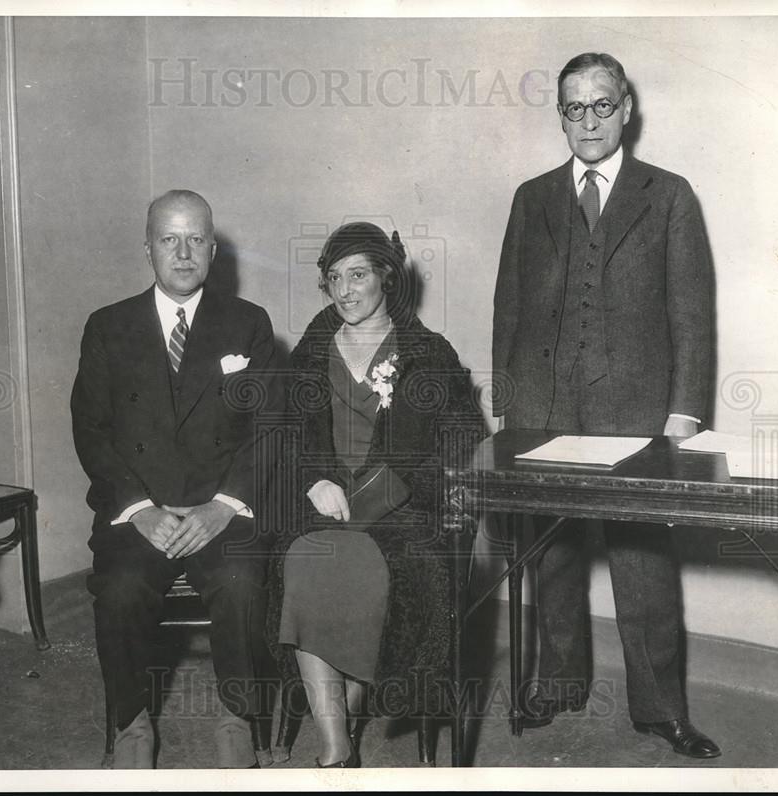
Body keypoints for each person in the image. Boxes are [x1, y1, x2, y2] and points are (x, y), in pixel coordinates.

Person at [492, 53, 720, 759]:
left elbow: (692, 315)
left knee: (642, 563)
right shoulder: (532, 198)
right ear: (560, 116)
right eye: (572, 107)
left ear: (626, 110)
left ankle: (658, 708)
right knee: (550, 556)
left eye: (600, 105)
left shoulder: (670, 195)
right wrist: (508, 404)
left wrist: (684, 411)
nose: (587, 120)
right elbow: (509, 306)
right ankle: (560, 683)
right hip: (543, 405)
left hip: (636, 413)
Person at [71, 189, 282, 768]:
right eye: (169, 239)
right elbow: (91, 430)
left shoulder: (249, 324)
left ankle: (237, 719)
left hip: (222, 510)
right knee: (118, 591)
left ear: (214, 249)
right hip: (140, 514)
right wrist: (139, 508)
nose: (183, 252)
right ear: (148, 248)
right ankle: (132, 724)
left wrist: (224, 506)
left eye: (196, 240)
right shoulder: (107, 326)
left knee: (242, 584)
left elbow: (269, 430)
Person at [266, 222, 484, 767]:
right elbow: (283, 434)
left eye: (357, 275)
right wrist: (313, 479)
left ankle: (349, 714)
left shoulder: (429, 353)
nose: (344, 290)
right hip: (321, 505)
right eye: (333, 278)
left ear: (386, 277)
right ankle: (336, 745)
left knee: (385, 572)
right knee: (305, 560)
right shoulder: (311, 352)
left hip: (405, 512)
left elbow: (464, 442)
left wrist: (401, 484)